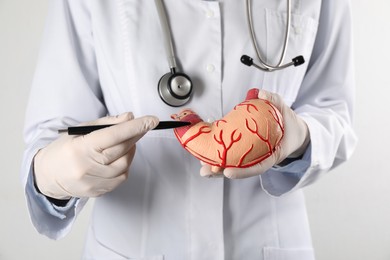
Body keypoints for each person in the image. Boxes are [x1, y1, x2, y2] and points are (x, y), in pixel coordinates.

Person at [21, 0, 357, 259]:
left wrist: (295, 137)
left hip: (266, 242)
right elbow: (53, 131)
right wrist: (55, 174)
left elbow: (334, 110)